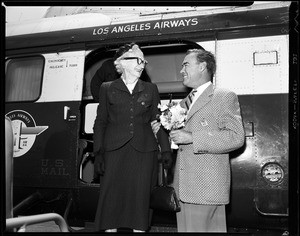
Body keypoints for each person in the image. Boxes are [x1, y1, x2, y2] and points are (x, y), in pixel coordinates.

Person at [151, 49, 245, 232]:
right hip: (184, 187)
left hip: (205, 187)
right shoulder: (186, 101)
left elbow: (236, 137)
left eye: (186, 64)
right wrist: (162, 135)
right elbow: (180, 140)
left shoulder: (223, 96)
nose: (181, 70)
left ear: (202, 66)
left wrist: (193, 137)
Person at [93, 43, 172, 232]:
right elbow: (101, 122)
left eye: (143, 61)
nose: (142, 64)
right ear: (122, 62)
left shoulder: (151, 89)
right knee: (110, 201)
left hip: (144, 152)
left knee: (140, 202)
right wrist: (98, 153)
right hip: (114, 152)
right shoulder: (107, 88)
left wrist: (166, 149)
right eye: (138, 59)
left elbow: (157, 121)